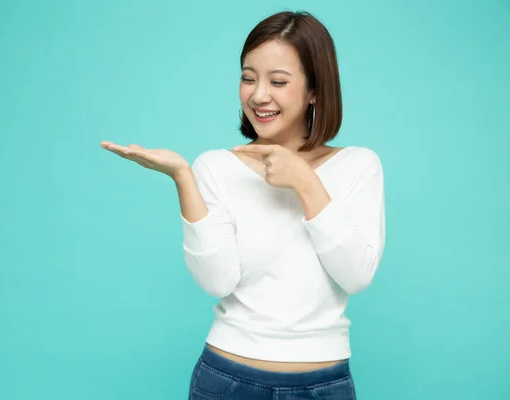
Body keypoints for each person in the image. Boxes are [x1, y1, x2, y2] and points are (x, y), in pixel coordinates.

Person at [101, 10, 385, 400]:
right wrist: (183, 177)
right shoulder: (216, 167)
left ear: (315, 89)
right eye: (248, 78)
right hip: (228, 381)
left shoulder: (358, 165)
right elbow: (217, 281)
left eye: (278, 81)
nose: (258, 95)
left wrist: (305, 183)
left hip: (324, 384)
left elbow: (356, 275)